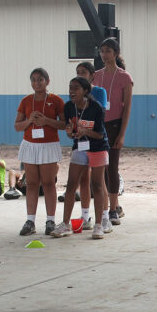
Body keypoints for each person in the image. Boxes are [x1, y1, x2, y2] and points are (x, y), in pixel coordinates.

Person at [52, 76, 109, 239]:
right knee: (71, 185)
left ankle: (98, 225)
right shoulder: (69, 106)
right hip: (80, 146)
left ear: (85, 91)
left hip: (98, 147)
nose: (72, 91)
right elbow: (70, 127)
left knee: (97, 185)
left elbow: (99, 134)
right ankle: (65, 224)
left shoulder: (96, 108)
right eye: (70, 88)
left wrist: (85, 132)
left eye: (76, 88)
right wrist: (70, 132)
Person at [14, 68, 65, 236]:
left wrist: (46, 121)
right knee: (32, 184)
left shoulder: (56, 100)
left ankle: (50, 220)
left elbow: (65, 125)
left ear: (47, 81)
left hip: (49, 145)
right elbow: (17, 126)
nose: (37, 83)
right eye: (34, 80)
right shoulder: (26, 101)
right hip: (30, 145)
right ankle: (30, 221)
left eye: (40, 79)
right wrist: (29, 121)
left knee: (49, 183)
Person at [93, 38, 133, 227]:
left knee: (112, 167)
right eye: (102, 51)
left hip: (115, 125)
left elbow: (127, 109)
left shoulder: (125, 77)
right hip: (98, 124)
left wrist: (122, 134)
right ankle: (102, 208)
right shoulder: (96, 75)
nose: (104, 54)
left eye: (108, 51)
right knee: (98, 167)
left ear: (115, 53)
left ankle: (114, 209)